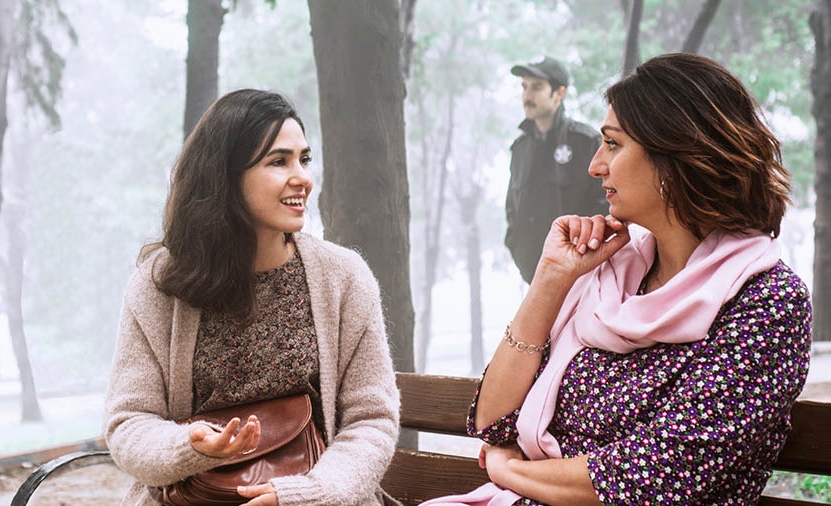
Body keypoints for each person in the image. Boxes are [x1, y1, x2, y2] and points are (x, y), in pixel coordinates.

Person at [421, 53, 812, 505]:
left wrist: (510, 472)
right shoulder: (611, 275)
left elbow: (652, 477)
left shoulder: (766, 303)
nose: (595, 166)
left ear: (673, 157)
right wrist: (551, 278)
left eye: (612, 144)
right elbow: (493, 422)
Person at [103, 89, 400, 506]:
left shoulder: (344, 277)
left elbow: (371, 420)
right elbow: (129, 423)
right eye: (278, 162)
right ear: (224, 176)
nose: (302, 177)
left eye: (304, 159)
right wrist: (190, 445)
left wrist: (309, 494)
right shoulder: (158, 285)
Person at [505, 55, 605, 283]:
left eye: (536, 87)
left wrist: (583, 258)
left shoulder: (586, 142)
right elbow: (512, 209)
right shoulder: (520, 149)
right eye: (524, 87)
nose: (527, 96)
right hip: (533, 277)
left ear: (559, 93)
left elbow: (605, 205)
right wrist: (516, 246)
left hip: (581, 278)